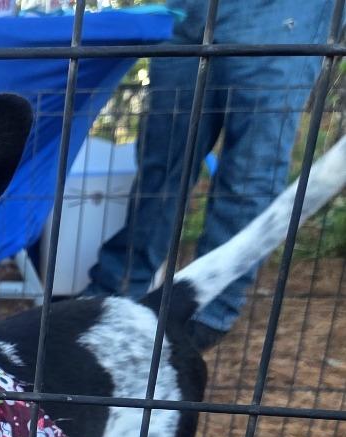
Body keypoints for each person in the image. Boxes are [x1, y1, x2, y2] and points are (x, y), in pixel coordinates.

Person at [83, 0, 341, 348]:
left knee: (249, 175)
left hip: (288, 12)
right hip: (190, 12)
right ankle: (113, 292)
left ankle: (202, 317)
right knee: (160, 167)